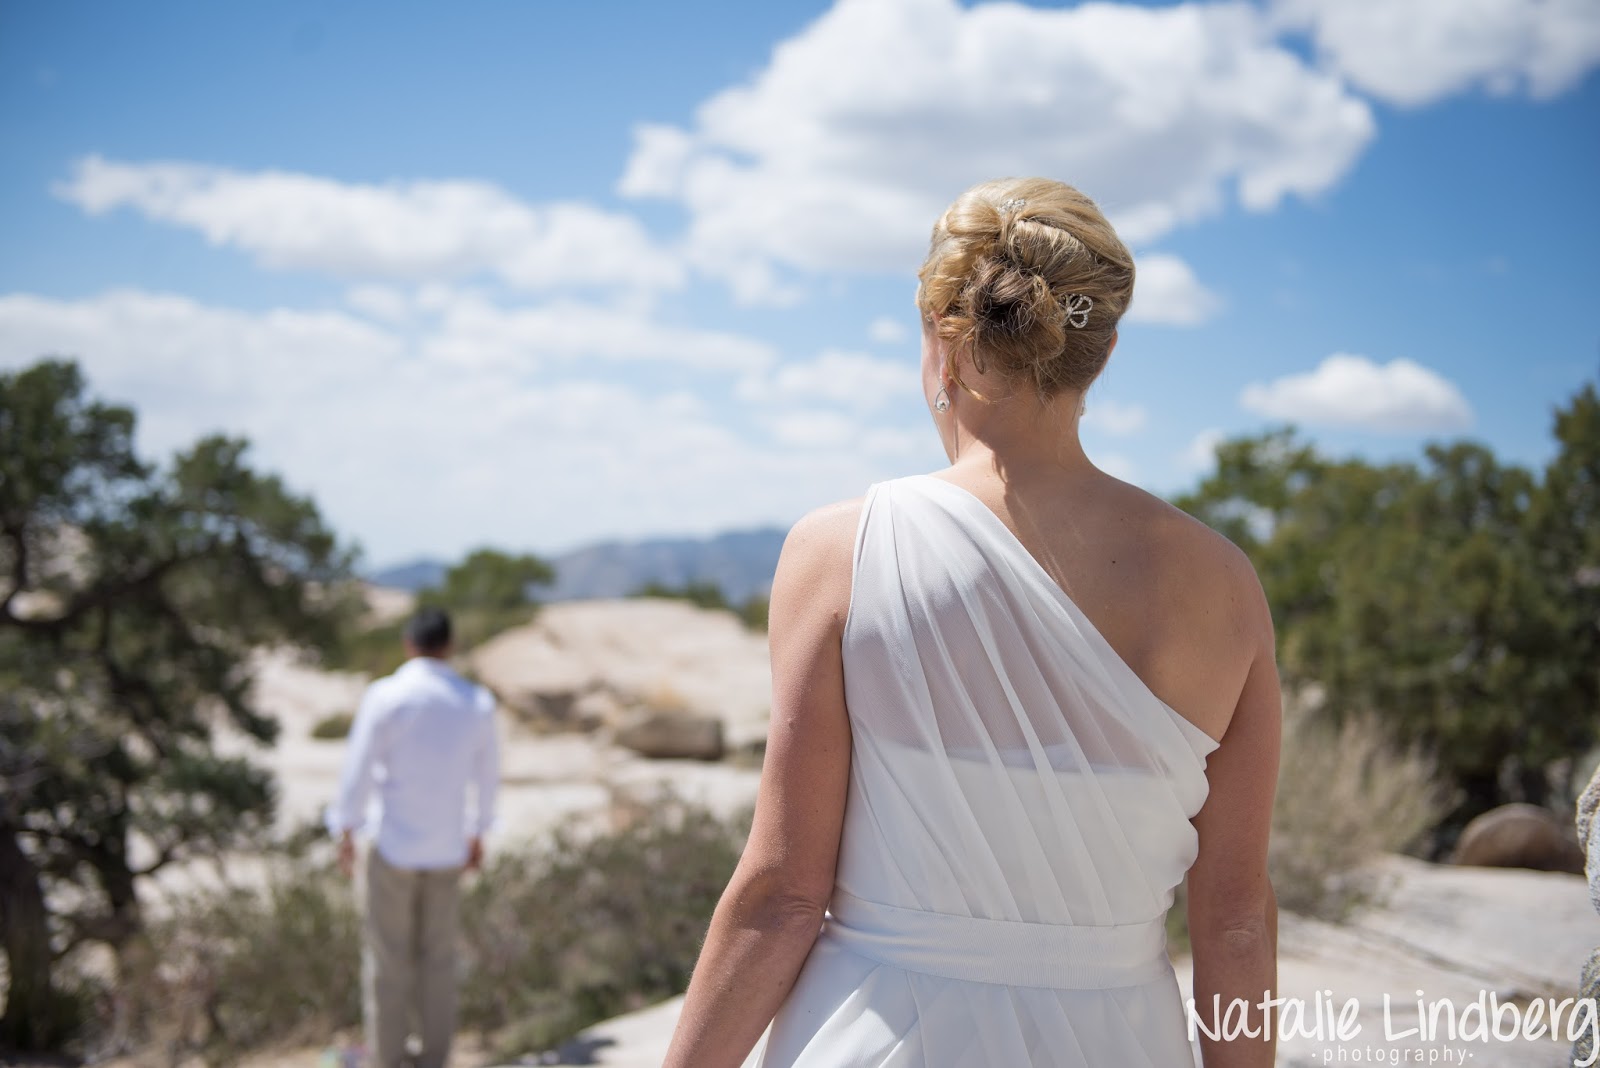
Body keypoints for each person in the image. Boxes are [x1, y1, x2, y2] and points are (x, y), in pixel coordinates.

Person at [663, 177, 1281, 1067]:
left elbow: (783, 897)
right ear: (1101, 354)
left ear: (941, 343)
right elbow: (1234, 919)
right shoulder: (1222, 585)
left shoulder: (839, 553)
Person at [327, 607, 499, 1068]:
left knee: (388, 961)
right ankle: (435, 1058)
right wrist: (479, 832)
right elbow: (487, 777)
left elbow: (359, 769)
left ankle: (388, 1058)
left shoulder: (385, 696)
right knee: (439, 960)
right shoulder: (476, 701)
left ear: (409, 644)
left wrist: (346, 829)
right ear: (449, 646)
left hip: (393, 847)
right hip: (447, 848)